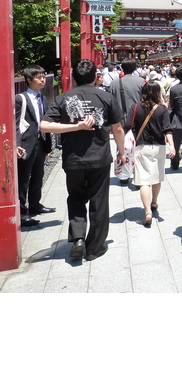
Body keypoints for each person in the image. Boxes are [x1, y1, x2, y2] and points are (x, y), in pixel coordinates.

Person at [41, 59, 125, 261]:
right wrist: (122, 153)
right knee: (99, 201)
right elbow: (118, 129)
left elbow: (44, 125)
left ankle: (78, 237)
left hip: (73, 158)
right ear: (95, 75)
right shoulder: (106, 97)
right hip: (99, 157)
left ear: (74, 77)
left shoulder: (64, 98)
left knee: (76, 197)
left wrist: (74, 127)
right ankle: (94, 247)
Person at [126, 81, 175, 227]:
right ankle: (154, 202)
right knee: (157, 176)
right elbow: (167, 129)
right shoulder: (162, 109)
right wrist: (172, 145)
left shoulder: (135, 107)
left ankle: (147, 212)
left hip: (142, 147)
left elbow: (127, 125)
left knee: (143, 180)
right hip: (159, 147)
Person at [15, 65, 54, 227]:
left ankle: (35, 204)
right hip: (26, 142)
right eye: (38, 77)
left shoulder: (43, 98)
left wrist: (48, 145)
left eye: (43, 76)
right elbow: (16, 123)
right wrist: (17, 144)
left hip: (40, 140)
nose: (42, 80)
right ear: (29, 80)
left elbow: (45, 122)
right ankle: (22, 212)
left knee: (38, 175)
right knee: (23, 179)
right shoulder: (20, 99)